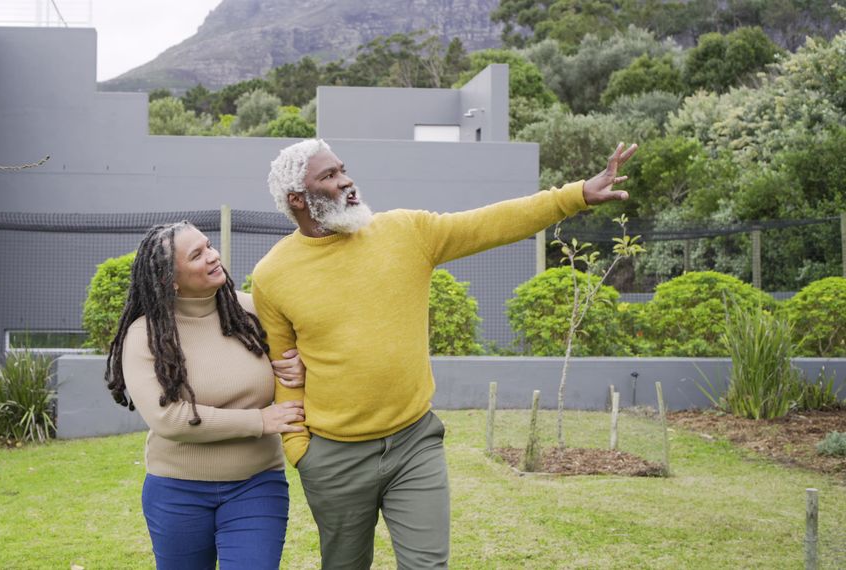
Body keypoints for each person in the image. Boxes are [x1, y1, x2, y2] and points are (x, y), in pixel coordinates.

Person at [251, 138, 637, 568]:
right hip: (334, 457)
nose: (347, 180)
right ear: (297, 200)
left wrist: (577, 195)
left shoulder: (405, 232)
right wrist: (300, 449)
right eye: (330, 176)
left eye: (343, 168)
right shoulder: (272, 275)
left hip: (414, 443)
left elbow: (491, 222)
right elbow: (285, 369)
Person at [104, 221, 307, 570]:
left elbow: (307, 354)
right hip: (176, 492)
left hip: (256, 485)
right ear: (170, 278)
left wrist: (303, 366)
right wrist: (258, 420)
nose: (214, 256)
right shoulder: (145, 335)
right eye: (198, 255)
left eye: (209, 246)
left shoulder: (253, 312)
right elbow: (168, 418)